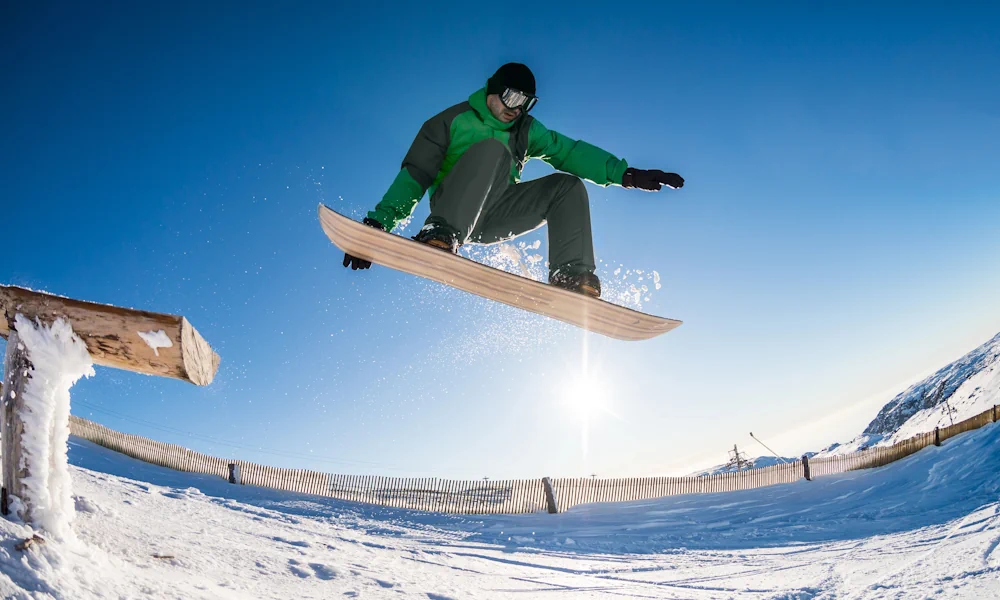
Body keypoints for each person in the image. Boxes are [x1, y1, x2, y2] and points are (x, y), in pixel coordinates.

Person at [342, 63, 684, 298]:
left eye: (526, 103)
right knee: (492, 150)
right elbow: (416, 174)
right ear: (493, 90)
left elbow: (569, 151)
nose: (516, 110)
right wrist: (377, 228)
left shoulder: (525, 130)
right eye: (512, 98)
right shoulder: (451, 121)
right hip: (453, 212)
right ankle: (440, 233)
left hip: (497, 214)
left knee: (566, 186)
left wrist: (625, 174)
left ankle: (570, 273)